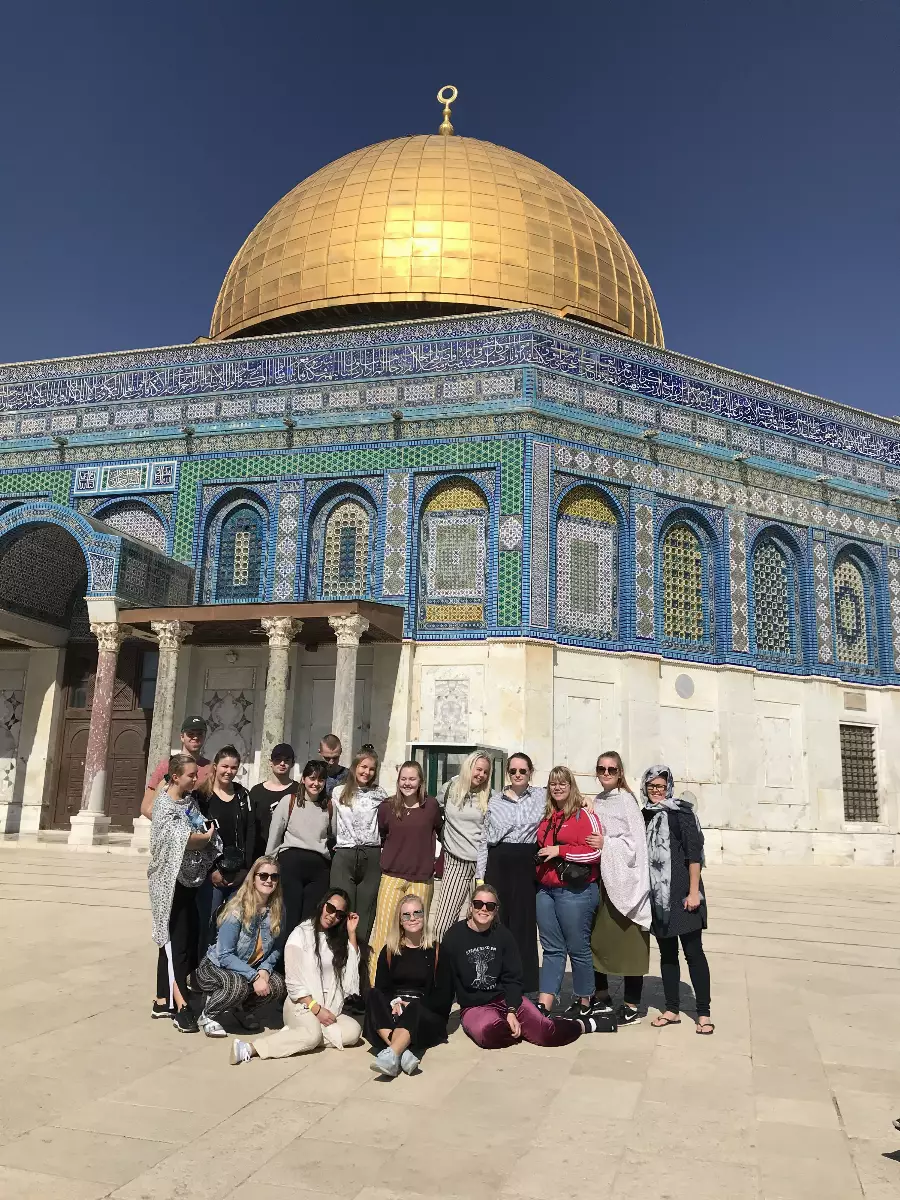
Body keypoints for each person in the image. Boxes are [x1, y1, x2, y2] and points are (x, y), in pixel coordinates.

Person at [439, 884, 582, 1049]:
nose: (483, 909)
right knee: (490, 1034)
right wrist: (440, 1021)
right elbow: (445, 983)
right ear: (471, 907)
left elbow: (513, 978)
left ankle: (583, 1024)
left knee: (546, 1033)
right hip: (475, 1007)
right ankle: (514, 1028)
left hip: (505, 999)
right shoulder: (454, 936)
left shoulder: (503, 935)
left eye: (490, 906)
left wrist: (512, 1010)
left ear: (496, 910)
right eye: (478, 904)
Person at [230, 888, 362, 1064]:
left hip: (330, 1006)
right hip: (301, 1004)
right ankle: (250, 1048)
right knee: (312, 1035)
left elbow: (351, 970)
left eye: (339, 914)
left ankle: (298, 1036)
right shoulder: (300, 934)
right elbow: (293, 984)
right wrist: (317, 1009)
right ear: (322, 905)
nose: (332, 916)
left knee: (354, 1031)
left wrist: (351, 933)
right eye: (330, 908)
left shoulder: (337, 940)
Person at [146, 753, 218, 1032]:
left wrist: (205, 836)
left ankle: (162, 1000)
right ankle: (181, 1006)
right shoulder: (164, 805)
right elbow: (188, 839)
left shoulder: (187, 801)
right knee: (174, 943)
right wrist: (205, 838)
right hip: (169, 883)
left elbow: (199, 824)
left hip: (189, 881)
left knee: (183, 939)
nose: (196, 779)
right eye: (191, 775)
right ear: (175, 777)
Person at [640, 765, 714, 1034]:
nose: (656, 791)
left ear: (669, 786)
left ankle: (703, 1013)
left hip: (684, 893)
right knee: (668, 955)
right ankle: (671, 1009)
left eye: (660, 786)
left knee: (694, 953)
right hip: (660, 898)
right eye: (652, 786)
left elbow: (694, 855)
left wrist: (694, 893)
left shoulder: (681, 813)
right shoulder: (644, 815)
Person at [585, 752, 652, 1026]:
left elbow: (636, 844)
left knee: (631, 944)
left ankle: (631, 1005)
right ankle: (602, 995)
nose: (606, 773)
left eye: (611, 769)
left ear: (620, 772)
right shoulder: (600, 800)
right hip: (603, 880)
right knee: (597, 941)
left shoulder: (627, 801)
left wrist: (607, 843)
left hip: (626, 881)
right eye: (601, 768)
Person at [535, 766, 603, 1018]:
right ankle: (545, 1003)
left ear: (572, 785)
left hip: (576, 891)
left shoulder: (583, 815)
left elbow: (596, 852)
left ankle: (585, 1000)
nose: (558, 787)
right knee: (551, 947)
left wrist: (560, 851)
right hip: (546, 889)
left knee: (577, 946)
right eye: (553, 783)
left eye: (563, 783)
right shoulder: (547, 815)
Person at [475, 752, 545, 994]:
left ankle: (524, 984)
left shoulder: (541, 796)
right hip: (498, 863)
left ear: (530, 773)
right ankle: (494, 980)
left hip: (526, 864)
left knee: (524, 923)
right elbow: (484, 839)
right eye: (513, 771)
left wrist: (586, 801)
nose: (517, 775)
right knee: (497, 921)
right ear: (507, 773)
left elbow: (568, 794)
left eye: (522, 771)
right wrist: (480, 875)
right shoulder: (495, 801)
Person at [194, 855, 288, 1037]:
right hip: (216, 966)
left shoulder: (279, 910)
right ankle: (208, 1013)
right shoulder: (237, 908)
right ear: (253, 878)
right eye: (263, 875)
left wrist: (265, 969)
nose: (269, 880)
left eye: (274, 876)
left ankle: (241, 1009)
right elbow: (225, 955)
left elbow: (277, 947)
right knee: (238, 985)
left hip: (250, 968)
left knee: (277, 984)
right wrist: (254, 977)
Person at [368, 761, 442, 981]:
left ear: (420, 781)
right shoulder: (387, 807)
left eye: (412, 779)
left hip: (421, 879)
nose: (407, 783)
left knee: (416, 934)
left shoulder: (431, 806)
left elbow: (441, 832)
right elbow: (382, 834)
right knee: (384, 933)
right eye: (403, 779)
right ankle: (376, 984)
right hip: (392, 877)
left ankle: (415, 982)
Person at [364, 893, 448, 1077]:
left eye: (417, 913)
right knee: (372, 994)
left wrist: (411, 1005)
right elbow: (382, 989)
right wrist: (394, 1003)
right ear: (400, 921)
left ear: (424, 916)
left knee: (415, 1008)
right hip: (396, 1009)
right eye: (406, 915)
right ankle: (402, 1053)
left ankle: (392, 1053)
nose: (412, 918)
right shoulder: (390, 950)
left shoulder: (437, 951)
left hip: (424, 1012)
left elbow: (444, 996)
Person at [195, 746, 255, 955]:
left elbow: (250, 832)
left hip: (238, 874)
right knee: (208, 925)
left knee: (234, 927)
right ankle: (204, 967)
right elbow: (197, 834)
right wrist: (212, 870)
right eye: (225, 766)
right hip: (212, 875)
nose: (229, 771)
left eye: (234, 767)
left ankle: (227, 969)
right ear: (215, 766)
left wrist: (245, 869)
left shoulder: (242, 795)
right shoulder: (202, 796)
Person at [266, 759, 332, 936]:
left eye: (320, 779)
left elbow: (334, 835)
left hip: (318, 870)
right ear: (303, 779)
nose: (316, 783)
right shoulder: (289, 801)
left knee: (309, 922)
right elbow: (274, 836)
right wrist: (268, 865)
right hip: (291, 866)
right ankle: (283, 953)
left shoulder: (329, 806)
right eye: (312, 778)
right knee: (288, 916)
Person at [432, 751, 493, 942]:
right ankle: (441, 959)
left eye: (486, 772)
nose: (481, 775)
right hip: (455, 862)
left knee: (480, 923)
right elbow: (431, 810)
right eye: (478, 769)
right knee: (442, 925)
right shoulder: (449, 789)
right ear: (468, 767)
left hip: (481, 867)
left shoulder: (490, 795)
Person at [329, 748, 387, 942]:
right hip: (345, 854)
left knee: (365, 912)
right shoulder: (338, 792)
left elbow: (385, 823)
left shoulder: (379, 794)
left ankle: (359, 952)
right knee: (340, 907)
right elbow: (332, 823)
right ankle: (338, 951)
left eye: (371, 769)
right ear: (355, 767)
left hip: (371, 855)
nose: (367, 772)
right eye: (363, 767)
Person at [140, 716, 211, 819]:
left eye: (200, 734)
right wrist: (171, 825)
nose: (195, 737)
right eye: (190, 734)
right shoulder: (167, 766)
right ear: (182, 736)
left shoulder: (210, 768)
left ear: (204, 736)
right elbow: (146, 808)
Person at [249, 743, 298, 860]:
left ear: (292, 763)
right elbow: (250, 826)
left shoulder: (299, 790)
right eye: (278, 760)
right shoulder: (257, 791)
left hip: (288, 854)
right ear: (271, 762)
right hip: (260, 853)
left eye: (287, 760)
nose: (282, 763)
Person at [320, 733, 349, 799]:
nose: (331, 762)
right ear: (320, 753)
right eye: (327, 758)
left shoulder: (349, 776)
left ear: (340, 751)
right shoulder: (313, 775)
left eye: (335, 757)